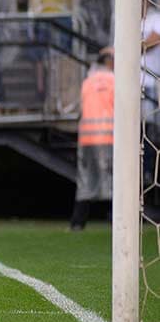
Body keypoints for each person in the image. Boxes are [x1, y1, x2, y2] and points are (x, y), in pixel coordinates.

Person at [70, 47, 113, 231]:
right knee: (114, 181)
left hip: (87, 138)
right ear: (110, 61)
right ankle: (116, 222)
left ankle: (78, 223)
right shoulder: (115, 81)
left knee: (86, 181)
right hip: (109, 136)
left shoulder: (87, 81)